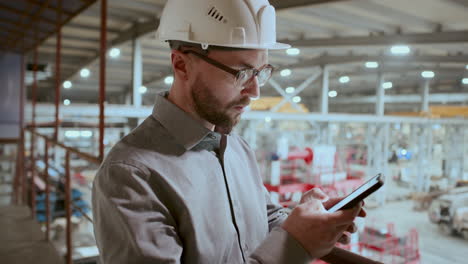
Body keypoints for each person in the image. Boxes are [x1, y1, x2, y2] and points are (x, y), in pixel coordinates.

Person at [92, 0, 366, 263]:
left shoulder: (236, 147)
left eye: (261, 72)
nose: (255, 92)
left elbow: (265, 220)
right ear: (181, 65)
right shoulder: (131, 175)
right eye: (241, 73)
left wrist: (310, 221)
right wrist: (295, 245)